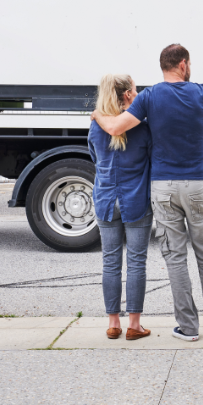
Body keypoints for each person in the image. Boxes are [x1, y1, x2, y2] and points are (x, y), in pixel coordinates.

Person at [91, 45, 203, 341]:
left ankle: (188, 328)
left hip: (162, 188)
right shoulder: (201, 92)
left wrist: (97, 115)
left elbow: (113, 128)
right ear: (183, 65)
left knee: (175, 257)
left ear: (164, 66)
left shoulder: (149, 97)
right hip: (197, 185)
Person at [88, 74, 153, 341]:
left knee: (110, 263)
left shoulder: (95, 126)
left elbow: (94, 157)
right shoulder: (142, 127)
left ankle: (113, 323)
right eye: (136, 90)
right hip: (136, 200)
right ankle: (134, 325)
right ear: (127, 94)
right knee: (136, 263)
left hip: (105, 200)